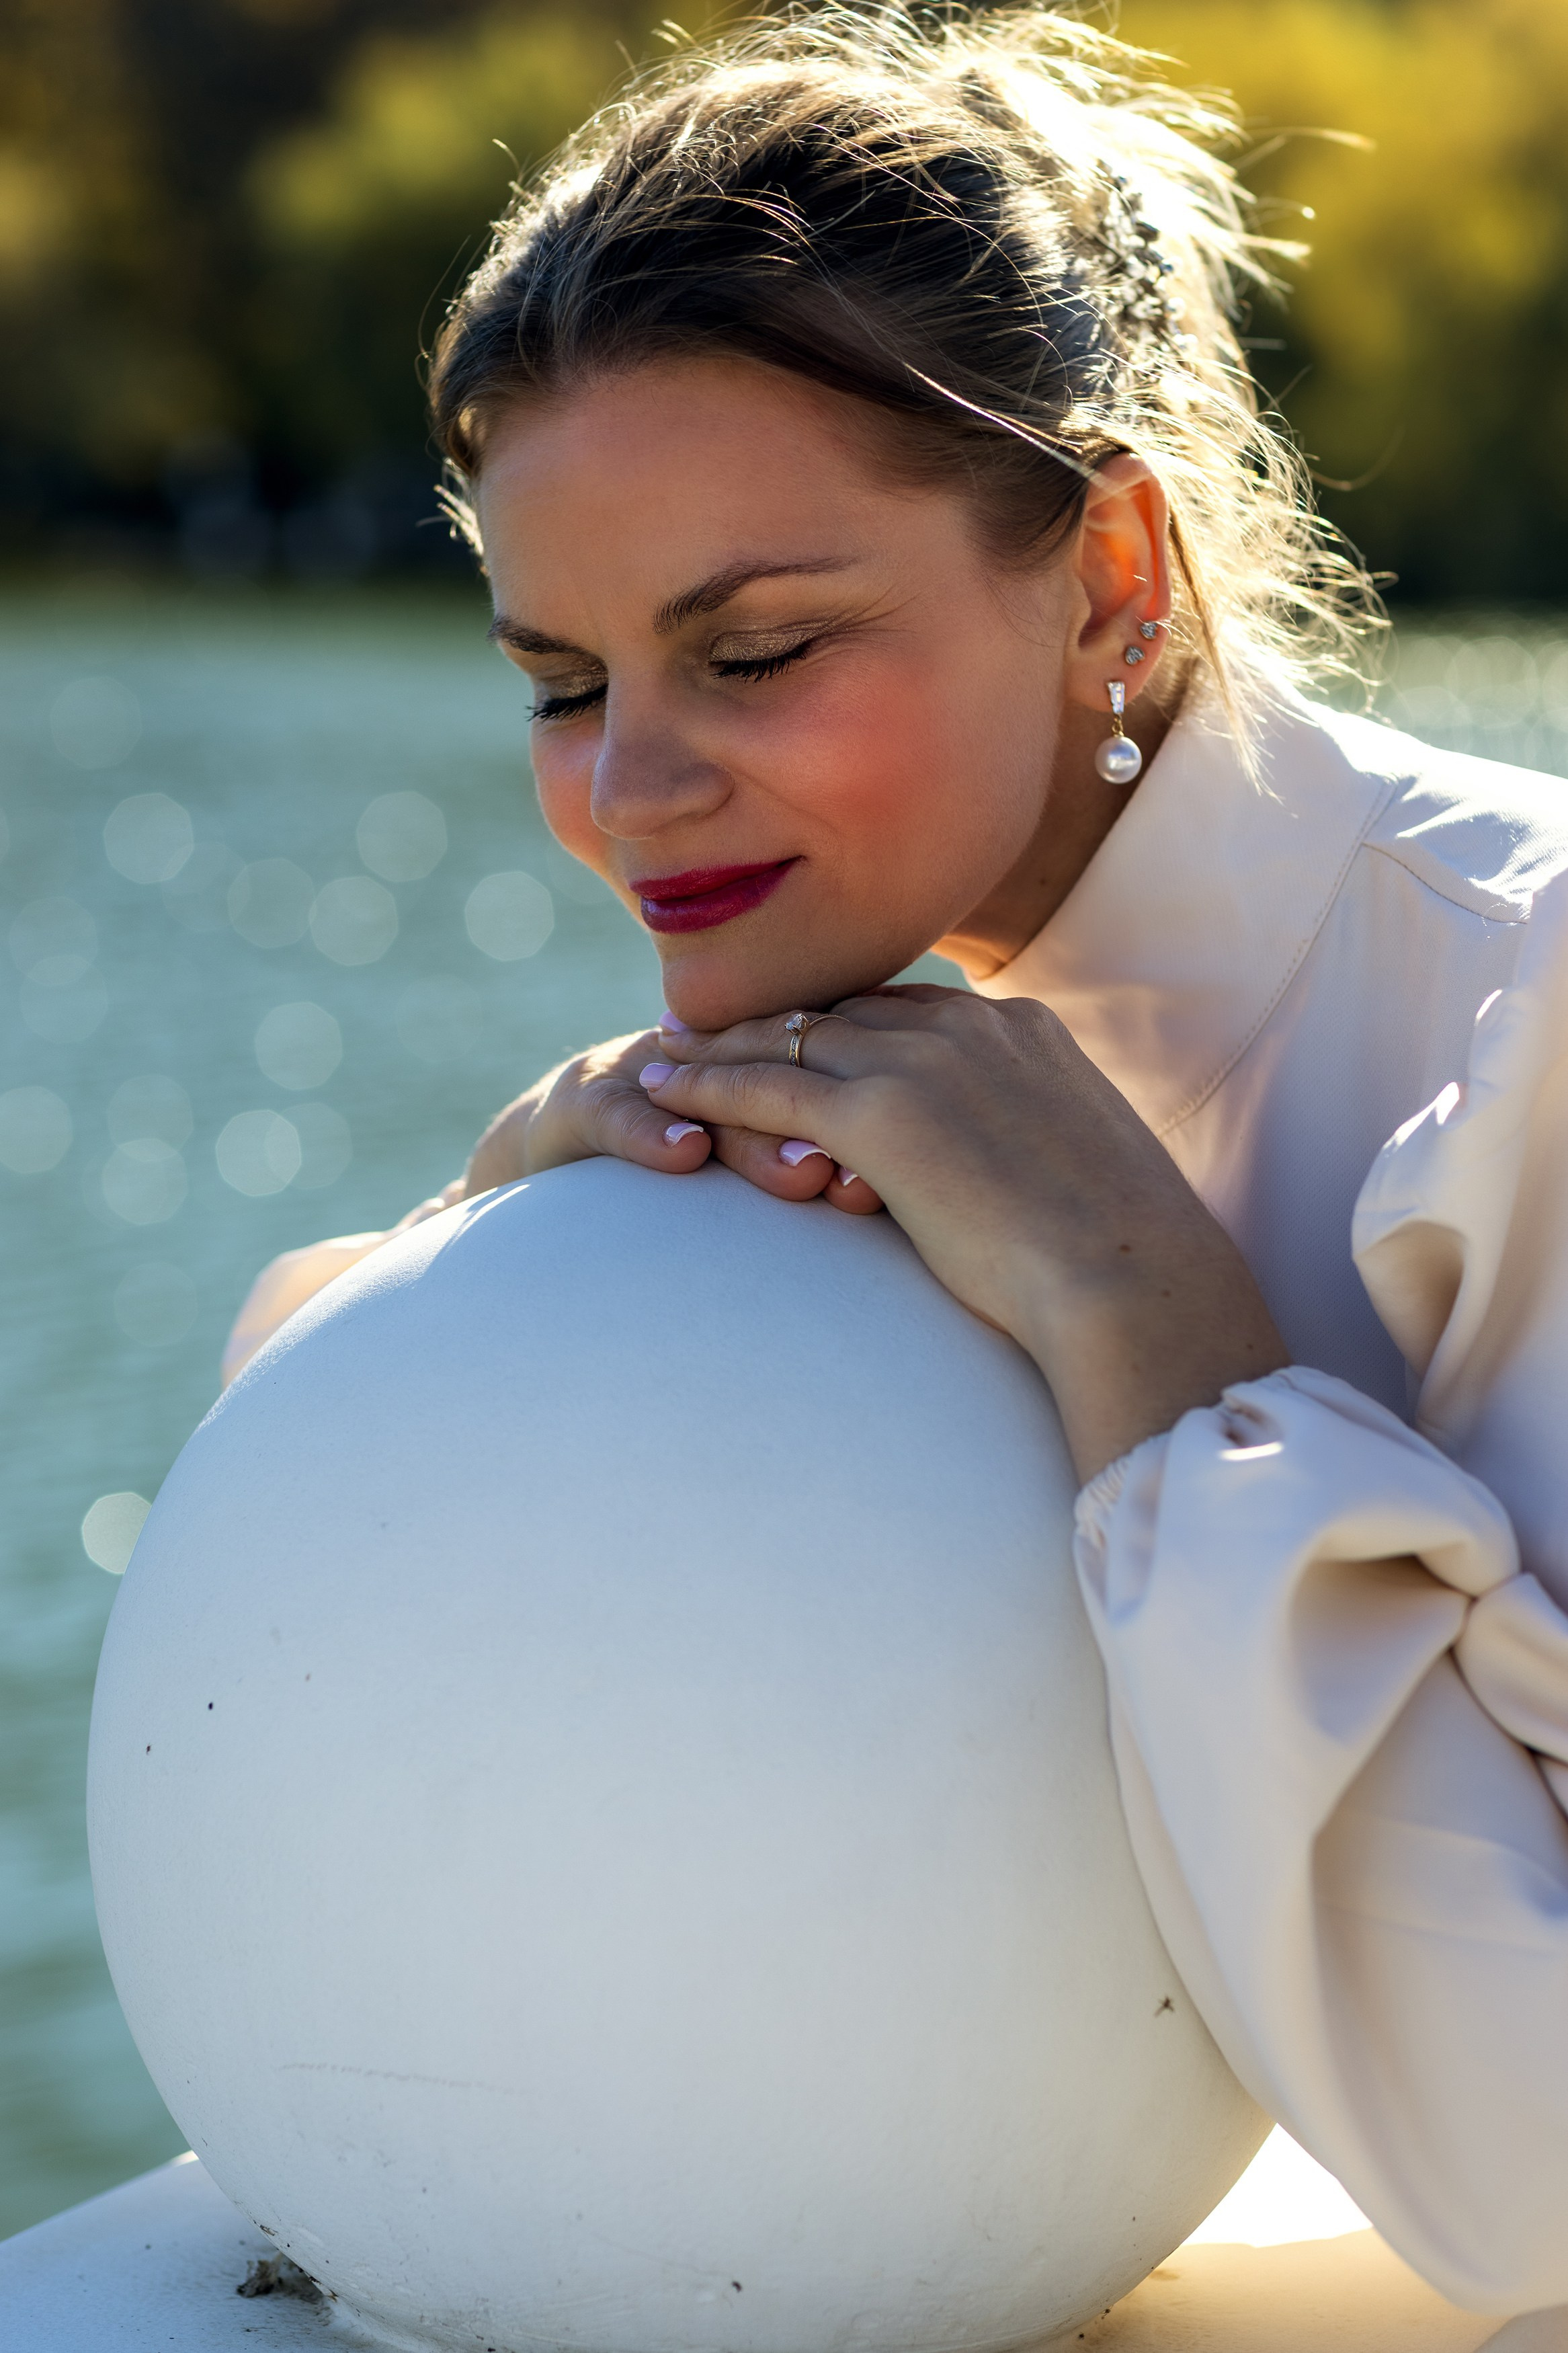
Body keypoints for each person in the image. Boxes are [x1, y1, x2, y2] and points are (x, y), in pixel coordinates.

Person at [222, 6, 1568, 2317]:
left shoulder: (1527, 1025)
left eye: (754, 649)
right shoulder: (848, 1067)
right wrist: (498, 1254)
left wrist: (1151, 1326)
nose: (626, 793)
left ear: (1115, 573)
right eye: (561, 679)